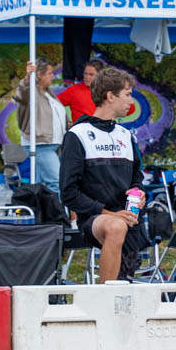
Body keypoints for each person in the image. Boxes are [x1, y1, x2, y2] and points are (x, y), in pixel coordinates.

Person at [60, 67, 146, 282]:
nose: (131, 101)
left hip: (127, 217)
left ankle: (119, 289)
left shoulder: (125, 135)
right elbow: (68, 193)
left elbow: (137, 178)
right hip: (94, 218)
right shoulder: (78, 134)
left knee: (126, 280)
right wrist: (108, 213)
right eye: (127, 94)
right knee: (116, 226)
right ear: (110, 96)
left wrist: (139, 193)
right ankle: (105, 295)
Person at [14, 60, 69, 193]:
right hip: (41, 145)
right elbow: (22, 94)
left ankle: (42, 207)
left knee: (41, 186)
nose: (52, 76)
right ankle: (58, 207)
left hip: (52, 145)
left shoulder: (48, 93)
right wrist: (28, 78)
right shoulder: (32, 92)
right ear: (39, 75)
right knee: (57, 182)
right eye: (49, 73)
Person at [58, 58, 100, 124]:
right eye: (85, 74)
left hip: (101, 128)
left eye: (91, 74)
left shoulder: (106, 91)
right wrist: (65, 122)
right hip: (80, 129)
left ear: (99, 75)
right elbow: (53, 104)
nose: (87, 77)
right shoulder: (74, 90)